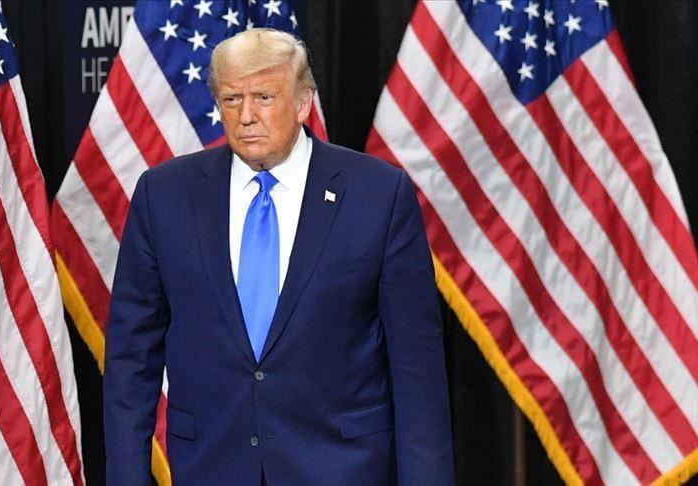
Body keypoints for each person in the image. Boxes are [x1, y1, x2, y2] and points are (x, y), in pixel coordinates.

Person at [104, 28, 454, 486]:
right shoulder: (164, 195)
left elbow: (417, 370)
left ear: (303, 103)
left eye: (264, 97)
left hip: (342, 469)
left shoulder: (377, 194)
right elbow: (132, 358)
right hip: (211, 468)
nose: (246, 116)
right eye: (232, 99)